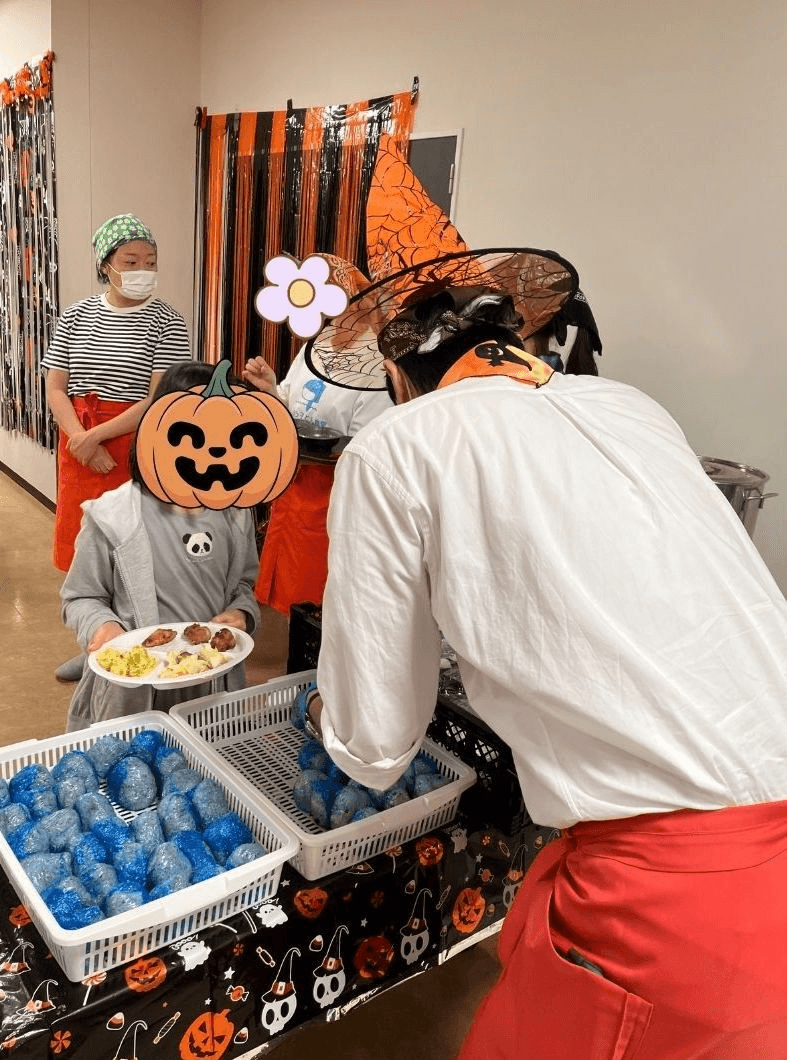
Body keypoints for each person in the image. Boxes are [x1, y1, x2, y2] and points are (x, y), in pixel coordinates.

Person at [297, 247, 787, 1058]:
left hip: (676, 900)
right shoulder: (629, 405)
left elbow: (375, 743)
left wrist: (323, 710)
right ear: (517, 339)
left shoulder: (394, 446)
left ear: (397, 378)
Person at [60, 362, 261, 733]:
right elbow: (80, 597)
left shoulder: (235, 513)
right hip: (131, 696)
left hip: (211, 691)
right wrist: (102, 626)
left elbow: (243, 587)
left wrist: (242, 613)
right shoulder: (113, 515)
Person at [42, 213, 191, 680]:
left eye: (150, 259)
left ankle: (136, 646)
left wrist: (94, 438)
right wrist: (80, 440)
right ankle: (94, 642)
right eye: (130, 260)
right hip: (78, 441)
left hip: (135, 443)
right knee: (84, 549)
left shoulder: (167, 321)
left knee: (132, 548)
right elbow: (55, 388)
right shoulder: (75, 316)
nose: (142, 268)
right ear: (106, 264)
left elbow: (158, 399)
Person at [242, 347, 392, 615]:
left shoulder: (378, 364)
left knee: (320, 605)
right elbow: (292, 410)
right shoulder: (313, 346)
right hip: (293, 487)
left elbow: (365, 448)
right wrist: (271, 390)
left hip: (333, 497)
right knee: (289, 602)